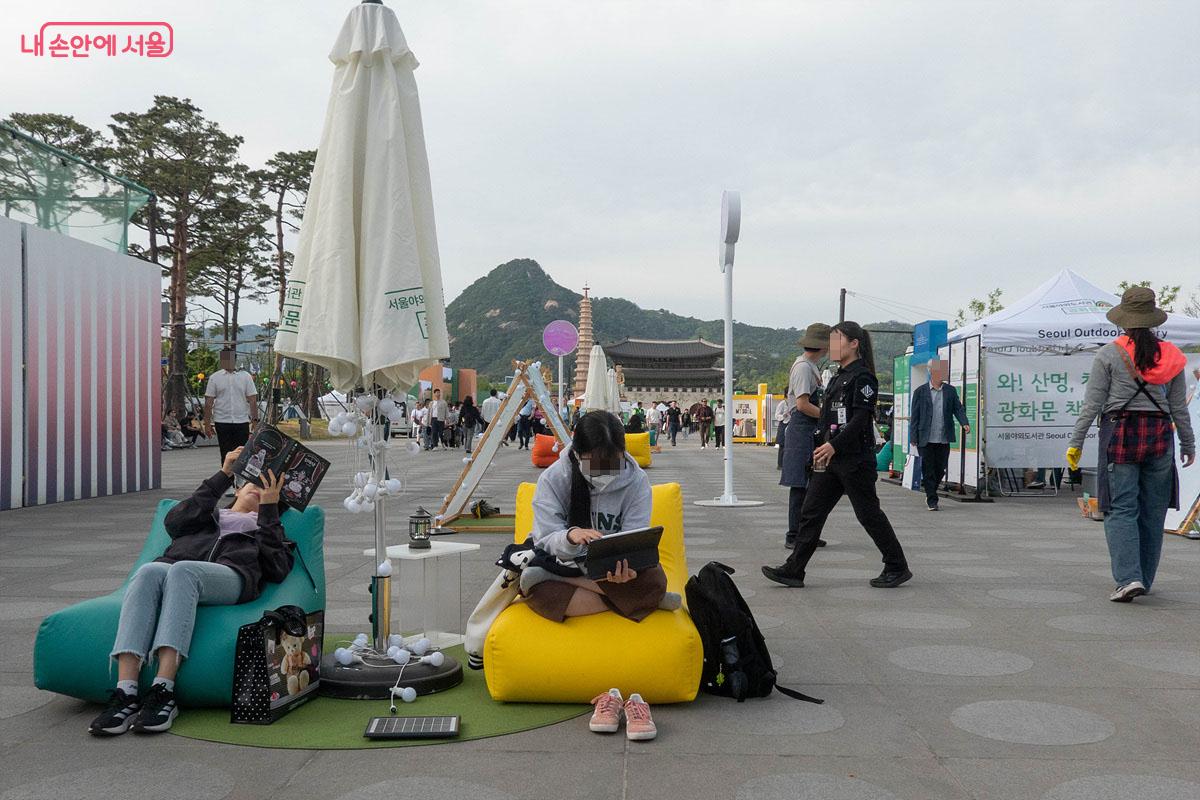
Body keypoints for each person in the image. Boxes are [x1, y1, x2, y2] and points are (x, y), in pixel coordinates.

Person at [88, 447, 293, 736]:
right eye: (255, 483)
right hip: (176, 569)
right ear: (239, 486)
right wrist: (223, 474)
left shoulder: (266, 526)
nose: (260, 490)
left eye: (269, 490)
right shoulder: (207, 513)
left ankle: (163, 689)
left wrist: (270, 511)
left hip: (231, 577)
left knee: (184, 570)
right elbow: (174, 522)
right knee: (149, 570)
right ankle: (126, 691)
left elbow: (277, 567)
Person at [522, 410, 676, 742]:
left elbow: (636, 537)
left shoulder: (636, 481)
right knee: (534, 585)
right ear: (578, 454)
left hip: (611, 572)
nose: (606, 472)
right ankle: (631, 600)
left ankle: (615, 590)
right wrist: (571, 536)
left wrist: (627, 569)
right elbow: (544, 537)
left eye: (613, 462)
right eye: (596, 464)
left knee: (653, 580)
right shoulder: (556, 478)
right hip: (563, 565)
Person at [1067, 287, 1195, 602]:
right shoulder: (1172, 355)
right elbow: (1179, 408)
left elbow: (1092, 405)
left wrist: (1076, 442)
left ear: (1123, 320)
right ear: (1152, 319)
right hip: (1160, 436)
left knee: (1121, 509)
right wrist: (1188, 443)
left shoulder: (1109, 354)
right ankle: (1144, 579)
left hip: (1121, 433)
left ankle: (1128, 578)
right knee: (1152, 511)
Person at [762, 321, 911, 589]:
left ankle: (897, 565)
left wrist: (834, 445)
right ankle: (794, 569)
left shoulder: (862, 377)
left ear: (854, 344)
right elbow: (829, 418)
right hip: (831, 458)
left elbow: (860, 420)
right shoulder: (838, 376)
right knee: (811, 511)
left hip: (853, 458)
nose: (831, 346)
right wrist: (821, 446)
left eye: (837, 339)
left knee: (868, 514)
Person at [779, 323, 831, 549]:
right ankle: (794, 534)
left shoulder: (810, 366)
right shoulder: (802, 367)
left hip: (809, 429)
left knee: (813, 486)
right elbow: (802, 404)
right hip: (802, 429)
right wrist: (827, 417)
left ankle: (807, 532)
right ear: (823, 347)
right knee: (800, 486)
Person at [909, 358, 970, 511]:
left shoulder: (950, 390)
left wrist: (964, 422)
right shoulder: (920, 392)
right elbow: (915, 416)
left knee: (940, 469)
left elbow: (958, 408)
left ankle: (931, 490)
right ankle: (932, 499)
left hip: (943, 437)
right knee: (928, 469)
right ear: (931, 371)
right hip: (926, 437)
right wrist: (913, 436)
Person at [202, 348, 259, 466]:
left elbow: (252, 400)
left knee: (242, 453)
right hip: (222, 420)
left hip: (241, 420)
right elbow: (208, 402)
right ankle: (226, 480)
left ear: (235, 360)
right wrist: (207, 424)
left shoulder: (245, 377)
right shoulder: (215, 378)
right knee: (226, 453)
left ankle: (239, 482)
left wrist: (255, 421)